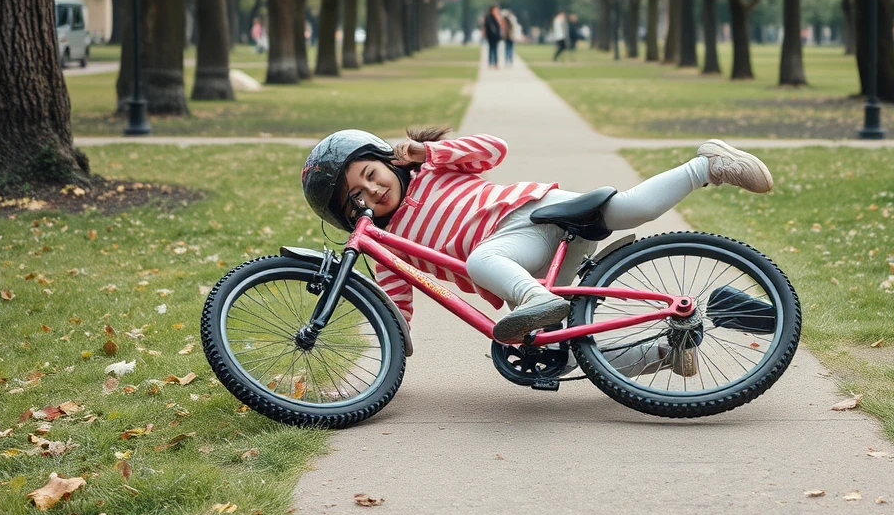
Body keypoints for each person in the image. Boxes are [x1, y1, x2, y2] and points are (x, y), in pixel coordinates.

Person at [301, 128, 773, 373]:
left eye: (370, 174)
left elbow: (493, 149)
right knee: (556, 351)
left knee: (629, 209)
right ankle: (667, 349)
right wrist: (392, 351)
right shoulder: (388, 243)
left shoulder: (430, 171)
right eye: (355, 198)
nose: (372, 191)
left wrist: (429, 154)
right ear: (347, 216)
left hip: (533, 214)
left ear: (386, 159)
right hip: (526, 260)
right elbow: (395, 304)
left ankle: (706, 164)